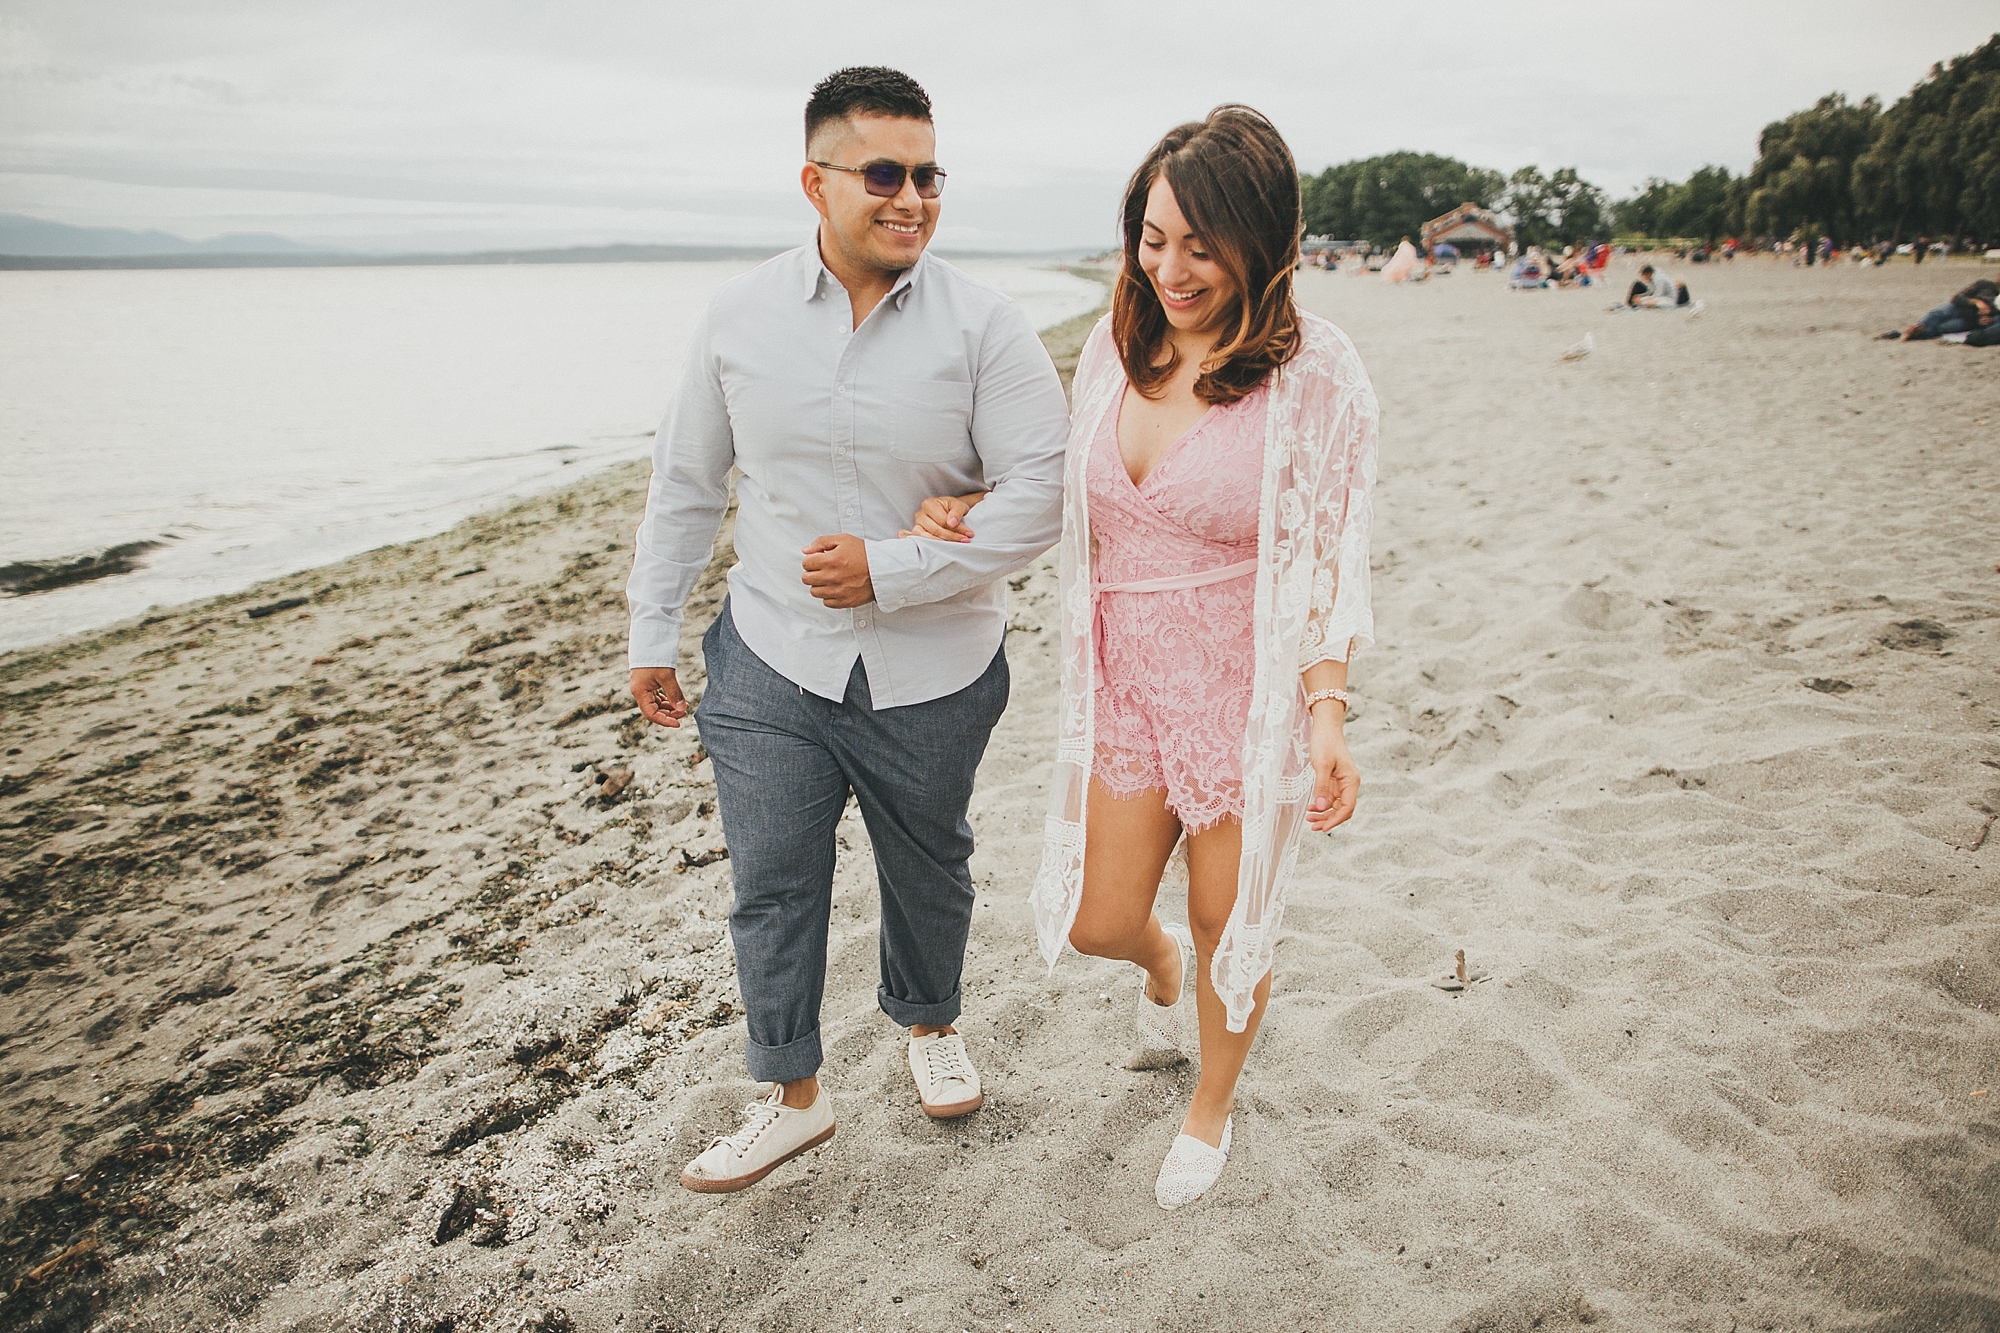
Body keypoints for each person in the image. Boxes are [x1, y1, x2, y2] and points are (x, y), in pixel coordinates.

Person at [905, 106, 1377, 1209]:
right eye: (1152, 238)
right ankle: (1157, 971)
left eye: (1200, 245)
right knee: (1098, 917)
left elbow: (1325, 553)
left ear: (1261, 240)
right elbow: (1067, 494)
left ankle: (1207, 1107)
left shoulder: (1315, 374)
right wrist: (970, 511)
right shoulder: (1118, 351)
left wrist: (1326, 710)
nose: (1170, 266)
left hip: (1242, 689)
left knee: (1229, 918)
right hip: (1123, 683)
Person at [626, 66, 1070, 1193]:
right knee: (771, 881)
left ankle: (929, 1024)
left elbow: (1042, 495)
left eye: (927, 175)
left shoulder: (987, 326)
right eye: (883, 173)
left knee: (929, 865)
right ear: (814, 182)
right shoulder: (736, 317)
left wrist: (898, 566)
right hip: (766, 654)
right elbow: (687, 481)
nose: (910, 196)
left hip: (937, 663)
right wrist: (650, 626)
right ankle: (789, 1096)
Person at [1887, 278, 1998, 340]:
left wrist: (1987, 322)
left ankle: (1910, 332)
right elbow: (1957, 297)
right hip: (1957, 308)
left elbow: (1995, 321)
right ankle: (1917, 327)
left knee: (1940, 329)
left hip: (1969, 321)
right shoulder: (1984, 284)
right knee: (1938, 314)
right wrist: (1975, 302)